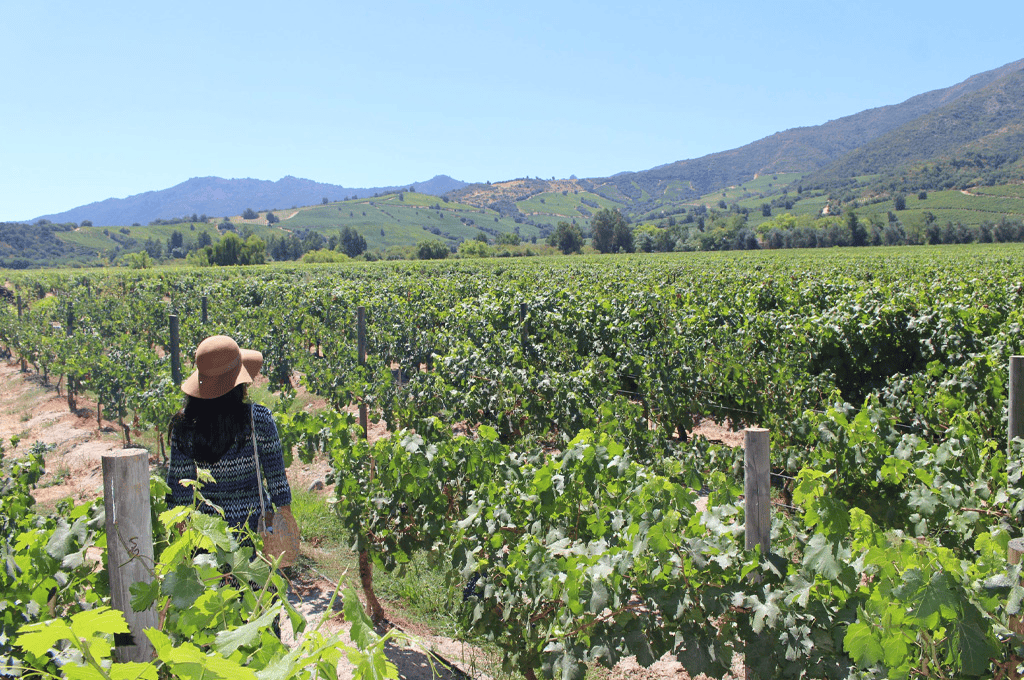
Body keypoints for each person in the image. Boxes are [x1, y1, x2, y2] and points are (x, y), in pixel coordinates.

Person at [167, 335, 292, 537]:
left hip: (206, 541)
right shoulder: (258, 419)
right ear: (239, 382)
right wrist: (286, 527)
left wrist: (183, 546)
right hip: (256, 537)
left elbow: (179, 492)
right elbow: (277, 481)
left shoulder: (185, 425)